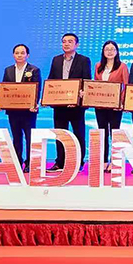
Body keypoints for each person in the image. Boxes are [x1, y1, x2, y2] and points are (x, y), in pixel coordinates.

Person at [47, 33, 92, 172]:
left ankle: (78, 162)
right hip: (59, 105)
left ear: (76, 45)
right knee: (60, 134)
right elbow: (51, 80)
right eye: (64, 41)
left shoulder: (84, 60)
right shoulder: (56, 60)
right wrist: (48, 96)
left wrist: (80, 98)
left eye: (70, 41)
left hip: (76, 106)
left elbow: (86, 81)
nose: (66, 44)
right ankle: (60, 162)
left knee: (78, 134)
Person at [0, 44, 41, 173]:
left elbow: (37, 89)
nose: (19, 55)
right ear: (13, 55)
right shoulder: (8, 70)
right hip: (13, 110)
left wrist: (34, 104)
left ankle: (30, 163)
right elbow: (4, 88)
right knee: (16, 137)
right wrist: (0, 103)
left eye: (22, 53)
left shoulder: (34, 70)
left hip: (29, 111)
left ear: (27, 55)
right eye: (17, 53)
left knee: (30, 137)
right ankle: (17, 161)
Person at [93, 40, 128, 173]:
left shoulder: (122, 66)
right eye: (107, 49)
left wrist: (121, 102)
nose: (109, 52)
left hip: (115, 107)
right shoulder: (98, 66)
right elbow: (95, 84)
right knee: (102, 133)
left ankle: (115, 161)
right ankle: (103, 161)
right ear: (103, 51)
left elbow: (126, 85)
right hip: (100, 106)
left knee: (115, 133)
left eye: (112, 49)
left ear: (117, 51)